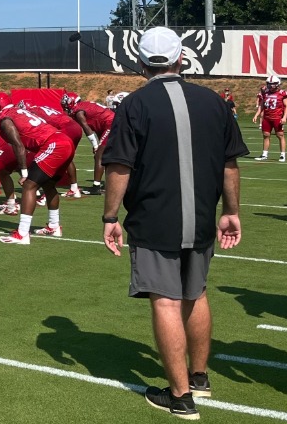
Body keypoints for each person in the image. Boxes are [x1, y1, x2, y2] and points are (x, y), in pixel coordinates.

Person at [101, 26, 245, 419]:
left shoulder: (134, 105)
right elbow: (229, 164)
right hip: (201, 216)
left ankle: (180, 397)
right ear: (182, 57)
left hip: (154, 217)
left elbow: (119, 166)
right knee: (195, 293)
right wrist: (231, 211)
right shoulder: (214, 102)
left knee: (165, 300)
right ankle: (199, 377)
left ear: (142, 62)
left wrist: (110, 215)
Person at [0, 91, 75, 244]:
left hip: (54, 144)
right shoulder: (17, 111)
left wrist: (24, 172)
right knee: (48, 184)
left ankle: (22, 233)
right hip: (63, 140)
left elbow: (18, 146)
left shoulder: (6, 119)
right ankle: (54, 226)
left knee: (29, 185)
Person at [17, 100, 85, 198]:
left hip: (65, 128)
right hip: (74, 126)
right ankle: (74, 188)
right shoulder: (41, 107)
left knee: (47, 158)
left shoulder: (33, 113)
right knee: (67, 158)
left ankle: (44, 194)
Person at [62, 93, 116, 195]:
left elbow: (86, 127)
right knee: (106, 155)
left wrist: (95, 145)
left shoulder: (79, 111)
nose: (65, 109)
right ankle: (109, 182)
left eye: (65, 106)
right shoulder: (83, 106)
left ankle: (96, 187)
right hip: (106, 125)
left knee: (99, 155)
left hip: (111, 124)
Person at [251, 75, 287, 161]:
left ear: (278, 84)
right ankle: (264, 154)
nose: (270, 86)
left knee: (280, 135)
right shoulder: (265, 93)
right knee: (266, 135)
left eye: (273, 84)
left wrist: (284, 117)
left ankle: (282, 155)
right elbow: (262, 105)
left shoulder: (282, 93)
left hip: (277, 117)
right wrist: (256, 114)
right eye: (269, 84)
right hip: (267, 117)